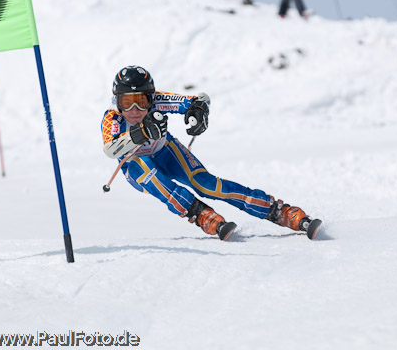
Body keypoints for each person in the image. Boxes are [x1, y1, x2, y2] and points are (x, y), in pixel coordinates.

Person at [101, 66, 322, 241]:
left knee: (206, 184)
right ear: (117, 101)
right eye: (126, 103)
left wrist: (198, 113)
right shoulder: (113, 118)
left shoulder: (159, 101)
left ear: (151, 98)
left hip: (166, 151)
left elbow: (199, 99)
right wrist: (141, 132)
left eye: (141, 102)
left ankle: (280, 211)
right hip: (134, 164)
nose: (134, 111)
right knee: (151, 174)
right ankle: (201, 214)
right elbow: (111, 150)